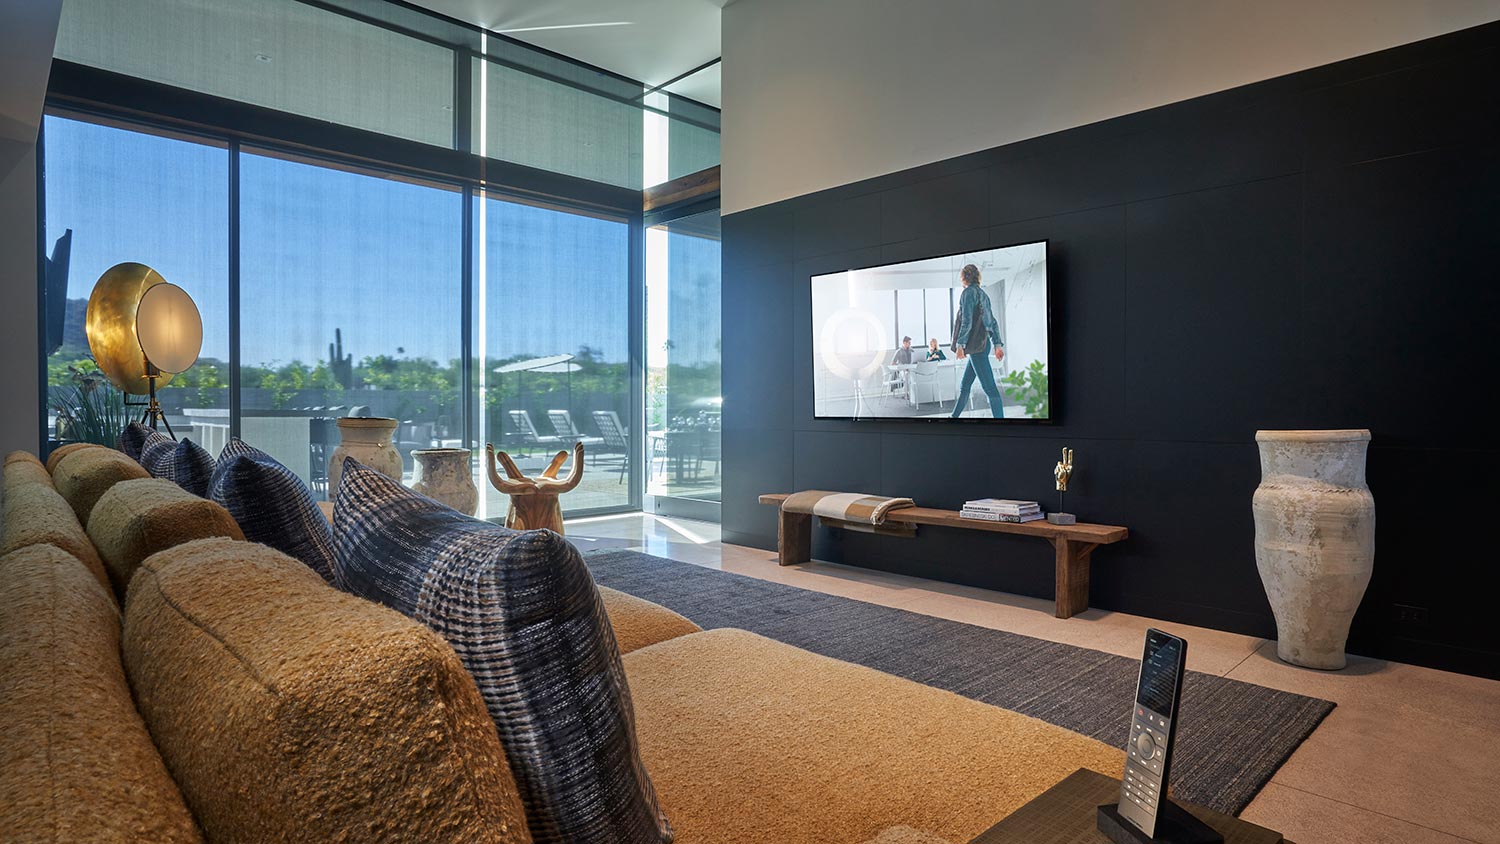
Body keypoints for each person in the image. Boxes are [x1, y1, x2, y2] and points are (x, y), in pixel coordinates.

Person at [949, 264, 1006, 418]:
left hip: (975, 347)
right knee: (965, 386)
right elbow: (992, 322)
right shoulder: (983, 295)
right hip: (983, 344)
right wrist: (997, 345)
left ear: (964, 277)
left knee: (990, 389)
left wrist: (960, 345)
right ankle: (953, 418)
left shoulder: (968, 293)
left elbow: (966, 321)